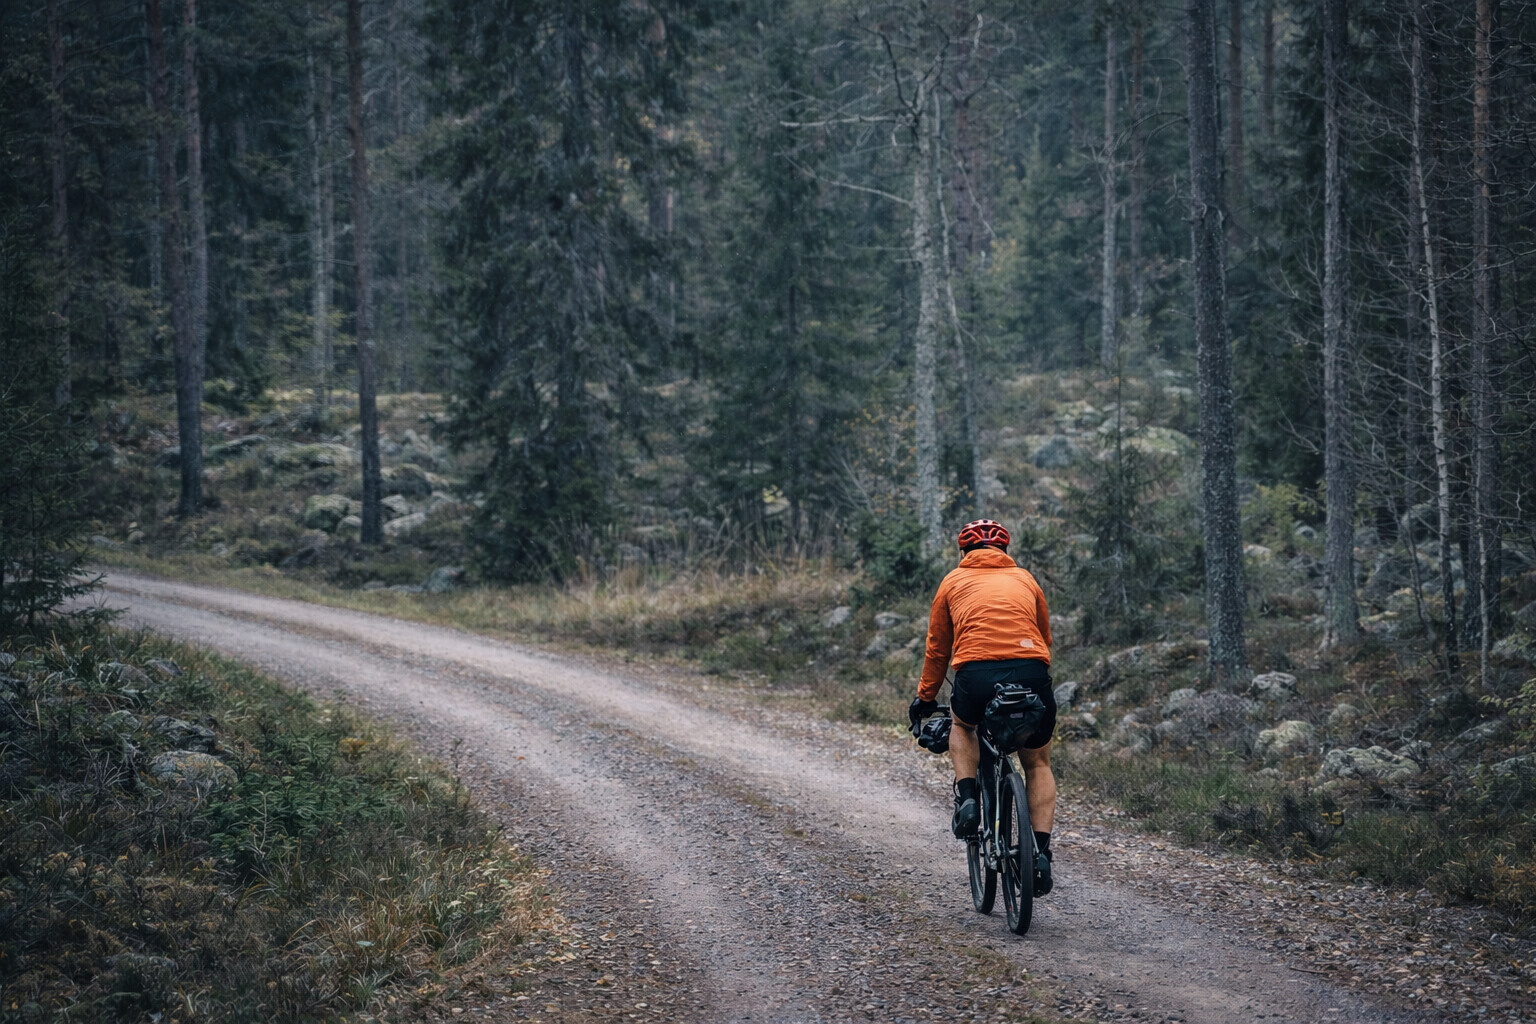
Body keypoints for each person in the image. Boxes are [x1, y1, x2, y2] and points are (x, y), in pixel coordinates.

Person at [908, 518, 1057, 895]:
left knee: (963, 726)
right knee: (1037, 762)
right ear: (1005, 550)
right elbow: (1044, 636)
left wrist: (925, 698)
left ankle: (969, 800)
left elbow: (938, 649)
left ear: (963, 552)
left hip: (976, 675)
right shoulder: (1026, 579)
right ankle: (1040, 855)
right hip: (1031, 671)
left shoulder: (952, 581)